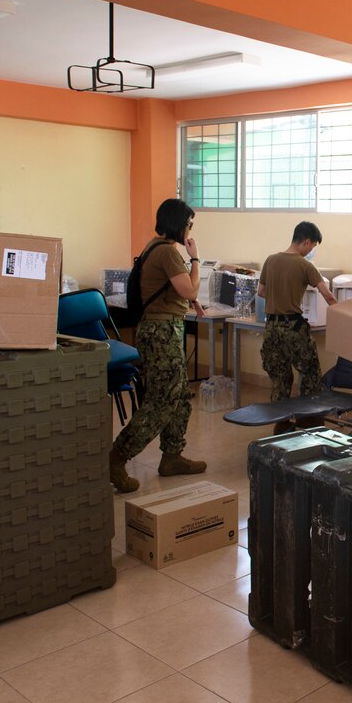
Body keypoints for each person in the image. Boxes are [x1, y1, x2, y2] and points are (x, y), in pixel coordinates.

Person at [109, 199, 208, 493]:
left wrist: (192, 302)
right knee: (162, 401)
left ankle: (172, 456)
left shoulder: (155, 246)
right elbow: (188, 288)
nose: (190, 229)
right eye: (189, 223)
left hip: (164, 328)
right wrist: (195, 259)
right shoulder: (167, 252)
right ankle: (117, 457)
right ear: (178, 223)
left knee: (179, 397)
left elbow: (176, 292)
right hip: (161, 332)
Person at [257, 222, 337, 433]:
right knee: (309, 372)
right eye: (312, 247)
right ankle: (308, 420)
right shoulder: (305, 265)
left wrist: (280, 296)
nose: (311, 251)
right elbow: (326, 294)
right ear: (306, 241)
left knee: (280, 377)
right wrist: (344, 313)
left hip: (271, 328)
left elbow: (261, 292)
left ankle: (281, 424)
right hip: (293, 327)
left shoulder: (271, 260)